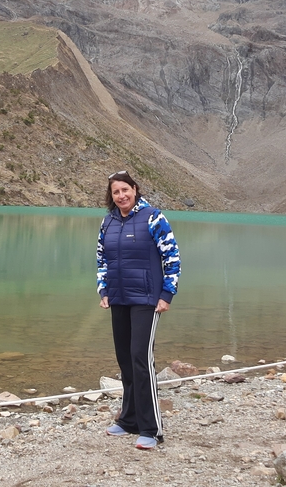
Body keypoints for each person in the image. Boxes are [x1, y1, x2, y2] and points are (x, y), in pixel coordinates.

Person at [96, 169, 181, 450]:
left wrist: (167, 294)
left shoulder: (153, 217)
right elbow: (102, 259)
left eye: (125, 190)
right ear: (111, 196)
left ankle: (151, 428)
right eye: (115, 192)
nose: (121, 196)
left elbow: (172, 256)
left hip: (146, 299)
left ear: (135, 189)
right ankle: (128, 420)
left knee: (140, 358)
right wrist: (104, 290)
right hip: (118, 298)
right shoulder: (108, 222)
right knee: (124, 359)